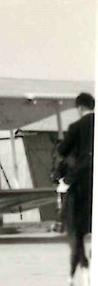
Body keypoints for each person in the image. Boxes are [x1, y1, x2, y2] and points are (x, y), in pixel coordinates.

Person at [55, 92, 94, 232]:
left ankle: (63, 223)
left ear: (80, 108)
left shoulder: (77, 126)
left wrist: (66, 180)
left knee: (65, 190)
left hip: (84, 172)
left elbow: (63, 150)